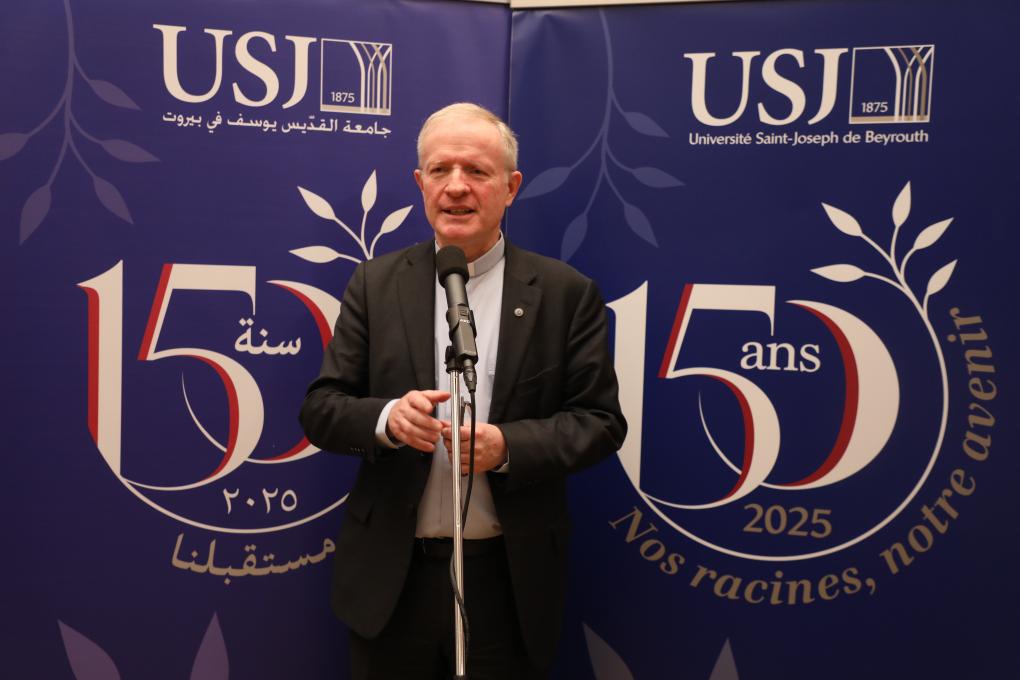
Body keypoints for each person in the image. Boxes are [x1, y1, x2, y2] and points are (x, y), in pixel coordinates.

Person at [299, 102, 626, 679]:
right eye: (440, 170)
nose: (456, 187)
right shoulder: (375, 283)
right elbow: (322, 408)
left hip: (508, 581)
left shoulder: (565, 293)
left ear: (511, 187)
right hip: (391, 582)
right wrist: (388, 419)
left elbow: (600, 422)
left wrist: (508, 447)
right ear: (419, 183)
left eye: (476, 171)